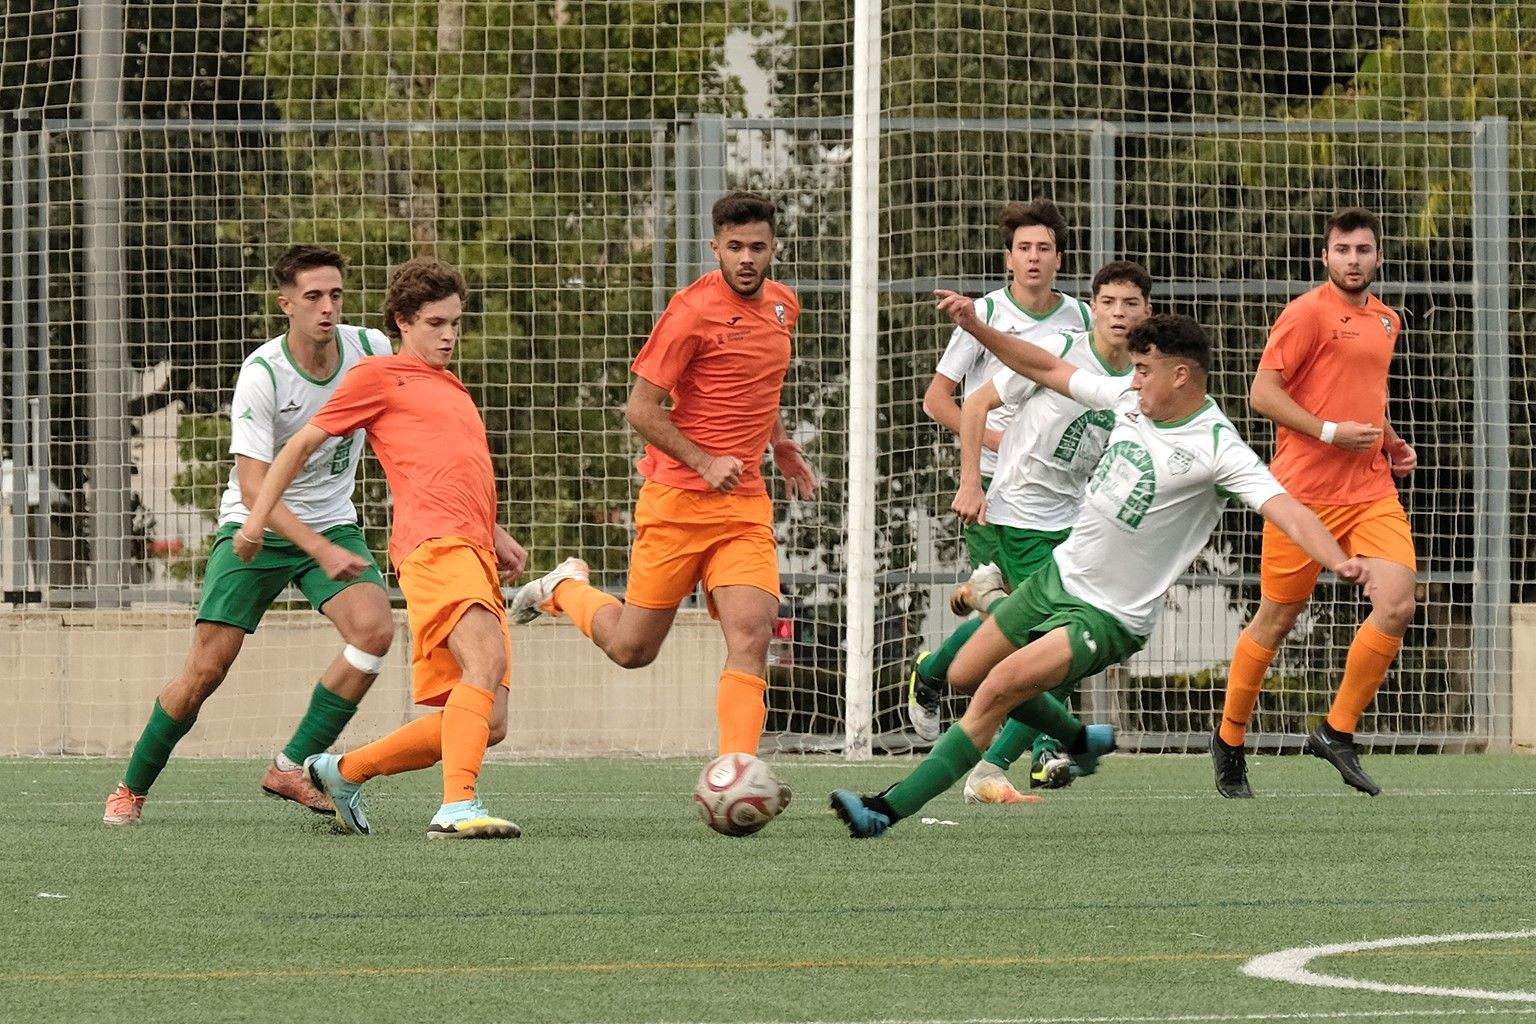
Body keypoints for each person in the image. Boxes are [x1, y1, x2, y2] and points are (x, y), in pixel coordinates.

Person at [830, 304, 1374, 838]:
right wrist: (978, 328)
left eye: (1143, 370)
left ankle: (884, 810)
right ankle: (1080, 739)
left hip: (1111, 615)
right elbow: (1044, 367)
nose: (1132, 380)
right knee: (961, 674)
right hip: (1056, 579)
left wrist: (1339, 559)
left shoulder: (1216, 448)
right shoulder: (1128, 400)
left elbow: (1289, 510)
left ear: (1180, 374)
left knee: (996, 688)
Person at [510, 191, 816, 759]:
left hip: (743, 506)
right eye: (734, 247)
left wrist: (780, 445)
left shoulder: (783, 306)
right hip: (676, 503)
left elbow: (755, 385)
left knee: (752, 633)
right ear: (715, 248)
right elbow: (641, 408)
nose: (745, 258)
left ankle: (735, 770)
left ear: (773, 249)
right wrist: (702, 460)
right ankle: (562, 589)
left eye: (756, 247)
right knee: (631, 650)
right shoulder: (690, 312)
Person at [237, 257, 529, 839]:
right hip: (434, 548)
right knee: (485, 664)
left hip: (470, 547)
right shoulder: (378, 376)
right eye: (435, 323)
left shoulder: (450, 385)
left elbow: (452, 469)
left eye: (455, 324)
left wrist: (493, 532)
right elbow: (298, 447)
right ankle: (456, 807)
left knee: (488, 719)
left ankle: (343, 772)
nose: (448, 335)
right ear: (402, 322)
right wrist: (254, 523)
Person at [104, 245, 394, 827]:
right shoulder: (263, 373)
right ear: (286, 304)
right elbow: (254, 481)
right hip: (254, 527)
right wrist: (315, 548)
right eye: (313, 297)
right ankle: (131, 787)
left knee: (375, 629)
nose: (328, 307)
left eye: (336, 294)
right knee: (206, 671)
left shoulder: (371, 350)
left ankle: (290, 766)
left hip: (332, 524)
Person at [1211, 207, 1417, 798]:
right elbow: (1261, 393)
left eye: (1363, 250)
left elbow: (1365, 396)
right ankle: (1228, 741)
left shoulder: (1386, 320)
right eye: (1343, 250)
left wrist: (1391, 439)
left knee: (1398, 602)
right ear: (1325, 257)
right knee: (1276, 619)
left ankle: (1335, 731)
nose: (1354, 260)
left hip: (1371, 490)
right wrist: (1327, 432)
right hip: (1301, 498)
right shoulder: (1305, 314)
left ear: (1378, 257)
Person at [936, 260, 1151, 803]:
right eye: (1109, 303)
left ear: (1146, 312)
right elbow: (978, 402)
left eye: (1130, 304)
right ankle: (994, 760)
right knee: (1047, 653)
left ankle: (946, 671)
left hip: (1076, 526)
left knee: (1050, 649)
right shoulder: (1060, 352)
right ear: (1093, 307)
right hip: (1020, 516)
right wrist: (970, 483)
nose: (1119, 314)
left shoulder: (1143, 379)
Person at [909, 200, 1094, 777]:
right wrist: (990, 447)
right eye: (1023, 248)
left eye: (1043, 248)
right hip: (996, 491)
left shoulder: (1083, 321)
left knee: (1043, 621)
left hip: (1064, 491)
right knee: (1027, 623)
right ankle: (1036, 744)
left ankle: (1031, 743)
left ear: (1059, 258)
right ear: (1008, 258)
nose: (1033, 258)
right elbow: (938, 399)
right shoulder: (985, 314)